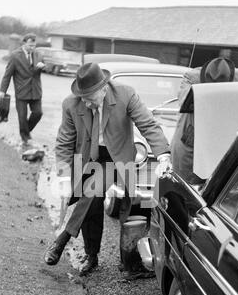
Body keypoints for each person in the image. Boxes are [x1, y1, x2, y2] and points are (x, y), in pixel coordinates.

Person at [44, 62, 172, 278]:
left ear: (103, 89)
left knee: (116, 202)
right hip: (87, 160)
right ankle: (91, 257)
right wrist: (65, 177)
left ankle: (65, 238)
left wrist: (163, 154)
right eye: (82, 96)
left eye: (89, 97)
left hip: (118, 157)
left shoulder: (125, 94)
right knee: (91, 204)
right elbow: (64, 141)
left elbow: (147, 124)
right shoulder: (71, 104)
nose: (84, 101)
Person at [171, 57, 238, 184]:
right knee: (187, 188)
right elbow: (184, 102)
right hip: (192, 137)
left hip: (225, 139)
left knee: (224, 187)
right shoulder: (191, 77)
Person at [0, 33, 45, 145]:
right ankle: (25, 138)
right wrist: (2, 90)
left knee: (38, 113)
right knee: (22, 117)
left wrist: (42, 66)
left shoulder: (39, 54)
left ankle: (25, 131)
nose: (32, 48)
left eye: (34, 45)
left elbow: (43, 66)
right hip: (22, 91)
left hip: (36, 91)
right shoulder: (15, 56)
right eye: (30, 45)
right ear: (24, 43)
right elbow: (7, 74)